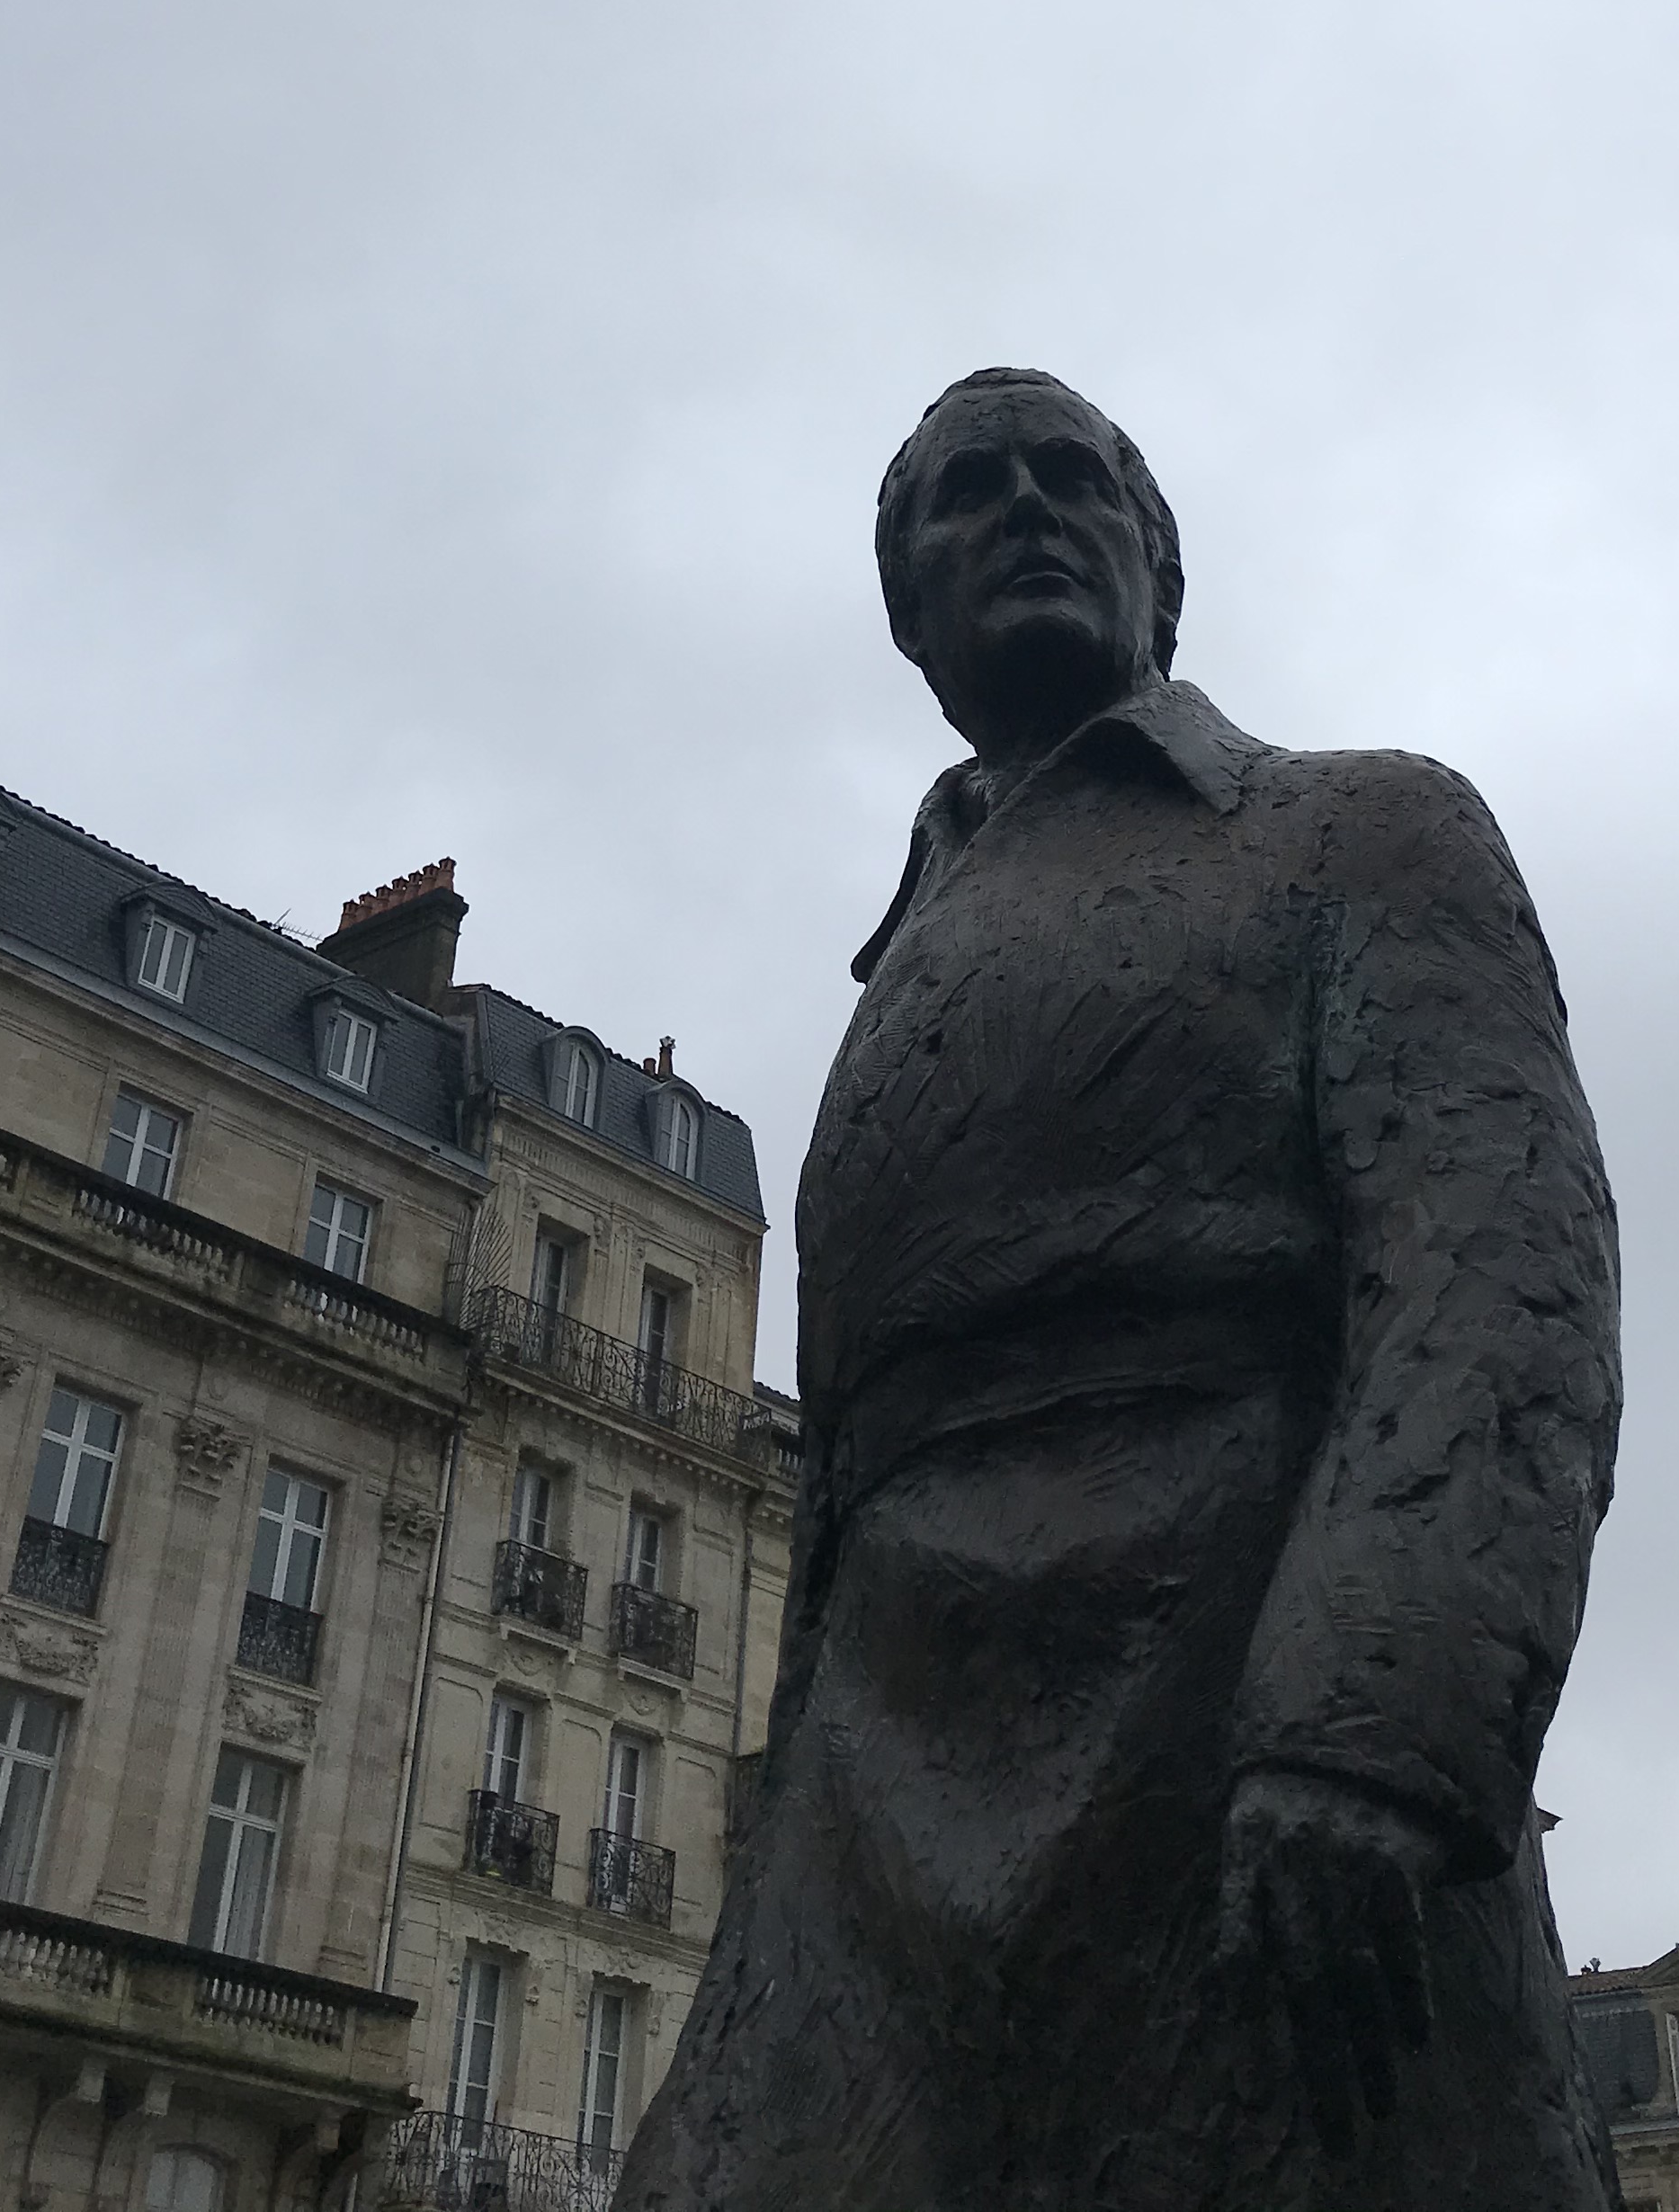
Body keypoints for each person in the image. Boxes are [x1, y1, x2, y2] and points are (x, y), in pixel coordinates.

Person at [620, 369, 1621, 2212]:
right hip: (880, 1784)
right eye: (968, 492)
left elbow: (1494, 1272)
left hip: (1232, 1699)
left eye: (1072, 477)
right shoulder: (897, 969)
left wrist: (1374, 1727)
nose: (1024, 505)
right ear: (909, 616)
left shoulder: (1365, 832)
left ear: (1158, 569)